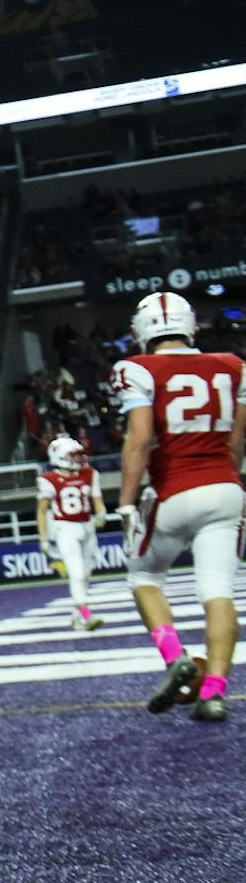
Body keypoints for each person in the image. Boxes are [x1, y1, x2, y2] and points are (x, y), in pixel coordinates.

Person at [112, 290, 244, 723]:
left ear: (142, 331)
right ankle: (215, 692)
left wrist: (127, 502)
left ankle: (175, 657)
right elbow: (236, 442)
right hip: (226, 487)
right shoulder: (234, 366)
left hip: (174, 488)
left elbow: (141, 438)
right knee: (218, 592)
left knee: (144, 573)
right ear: (190, 326)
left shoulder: (138, 368)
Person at [35, 433, 106, 632]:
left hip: (87, 526)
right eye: (73, 454)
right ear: (61, 456)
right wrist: (43, 539)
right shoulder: (48, 480)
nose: (78, 458)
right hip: (65, 528)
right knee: (76, 572)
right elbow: (41, 511)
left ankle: (77, 616)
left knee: (86, 572)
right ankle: (85, 615)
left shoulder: (90, 473)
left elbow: (96, 498)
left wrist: (101, 513)